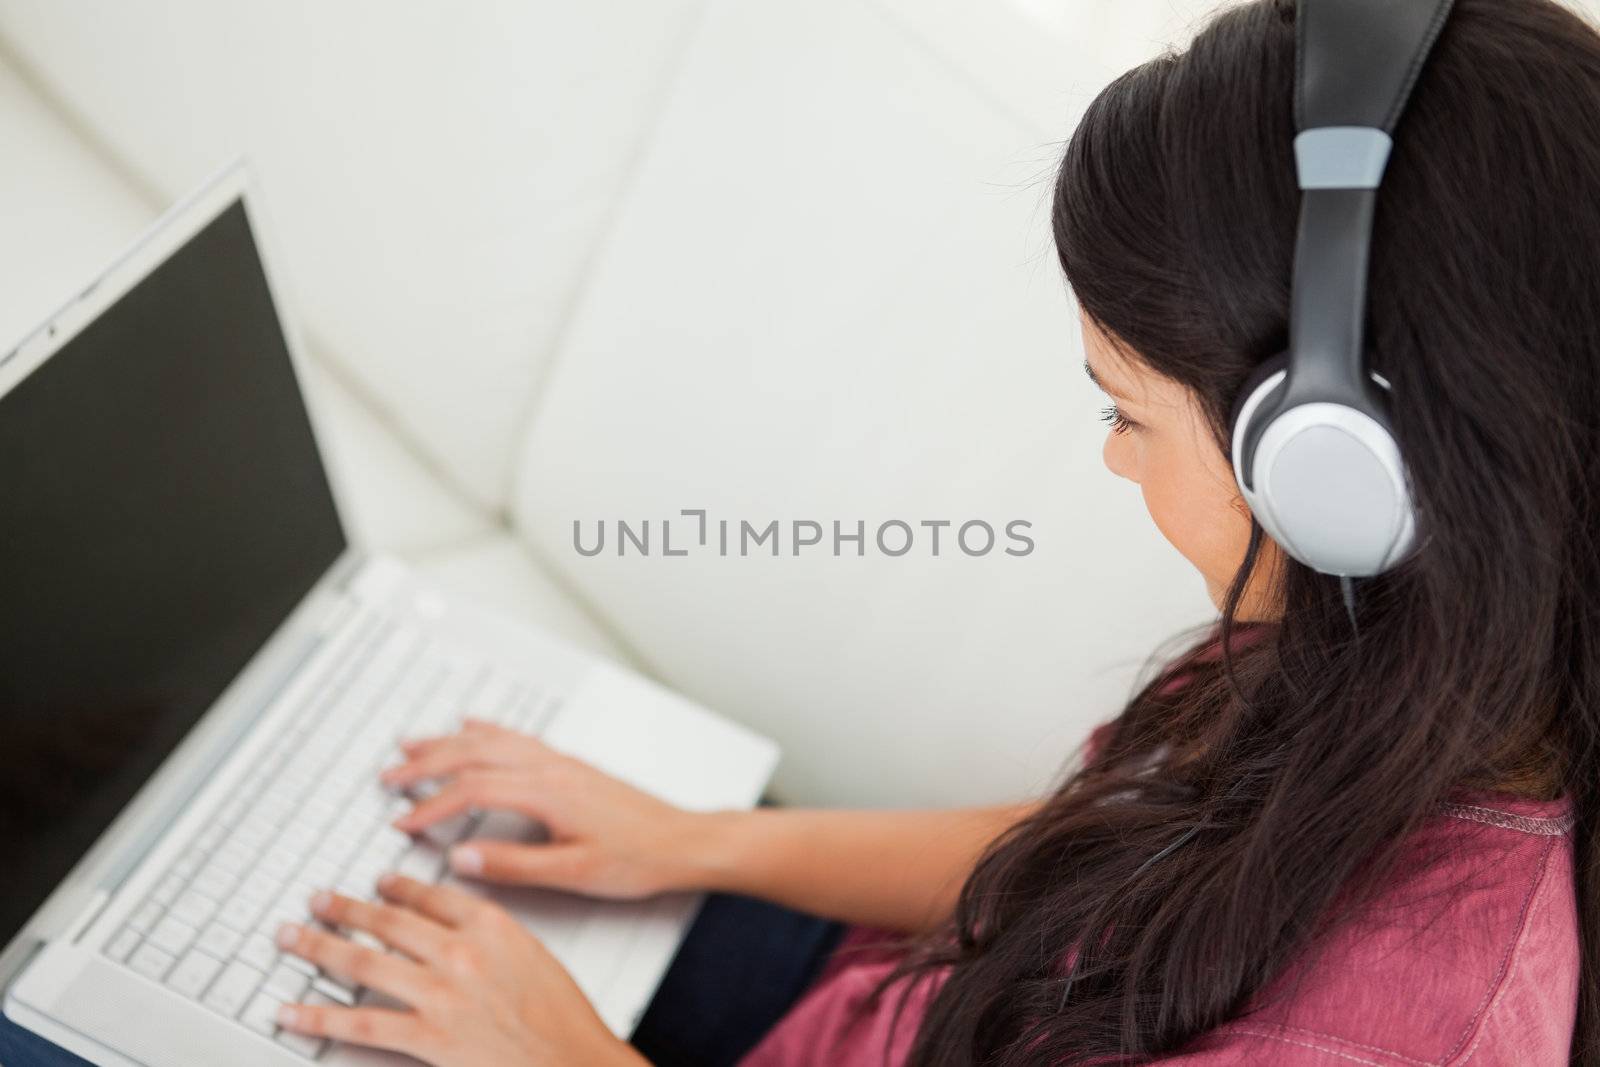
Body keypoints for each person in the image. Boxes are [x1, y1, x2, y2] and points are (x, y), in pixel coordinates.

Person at [6, 0, 1594, 1063]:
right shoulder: (1390, 660)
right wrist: (698, 841)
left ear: (1333, 474)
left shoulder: (1397, 1031)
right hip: (868, 1003)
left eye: (1123, 409)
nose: (1107, 460)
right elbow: (1106, 862)